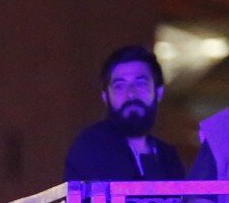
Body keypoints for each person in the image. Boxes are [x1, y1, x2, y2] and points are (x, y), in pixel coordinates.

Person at [63, 46, 187, 184]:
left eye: (140, 83)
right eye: (119, 86)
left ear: (159, 92)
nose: (131, 94)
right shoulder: (91, 146)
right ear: (105, 97)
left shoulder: (168, 157)